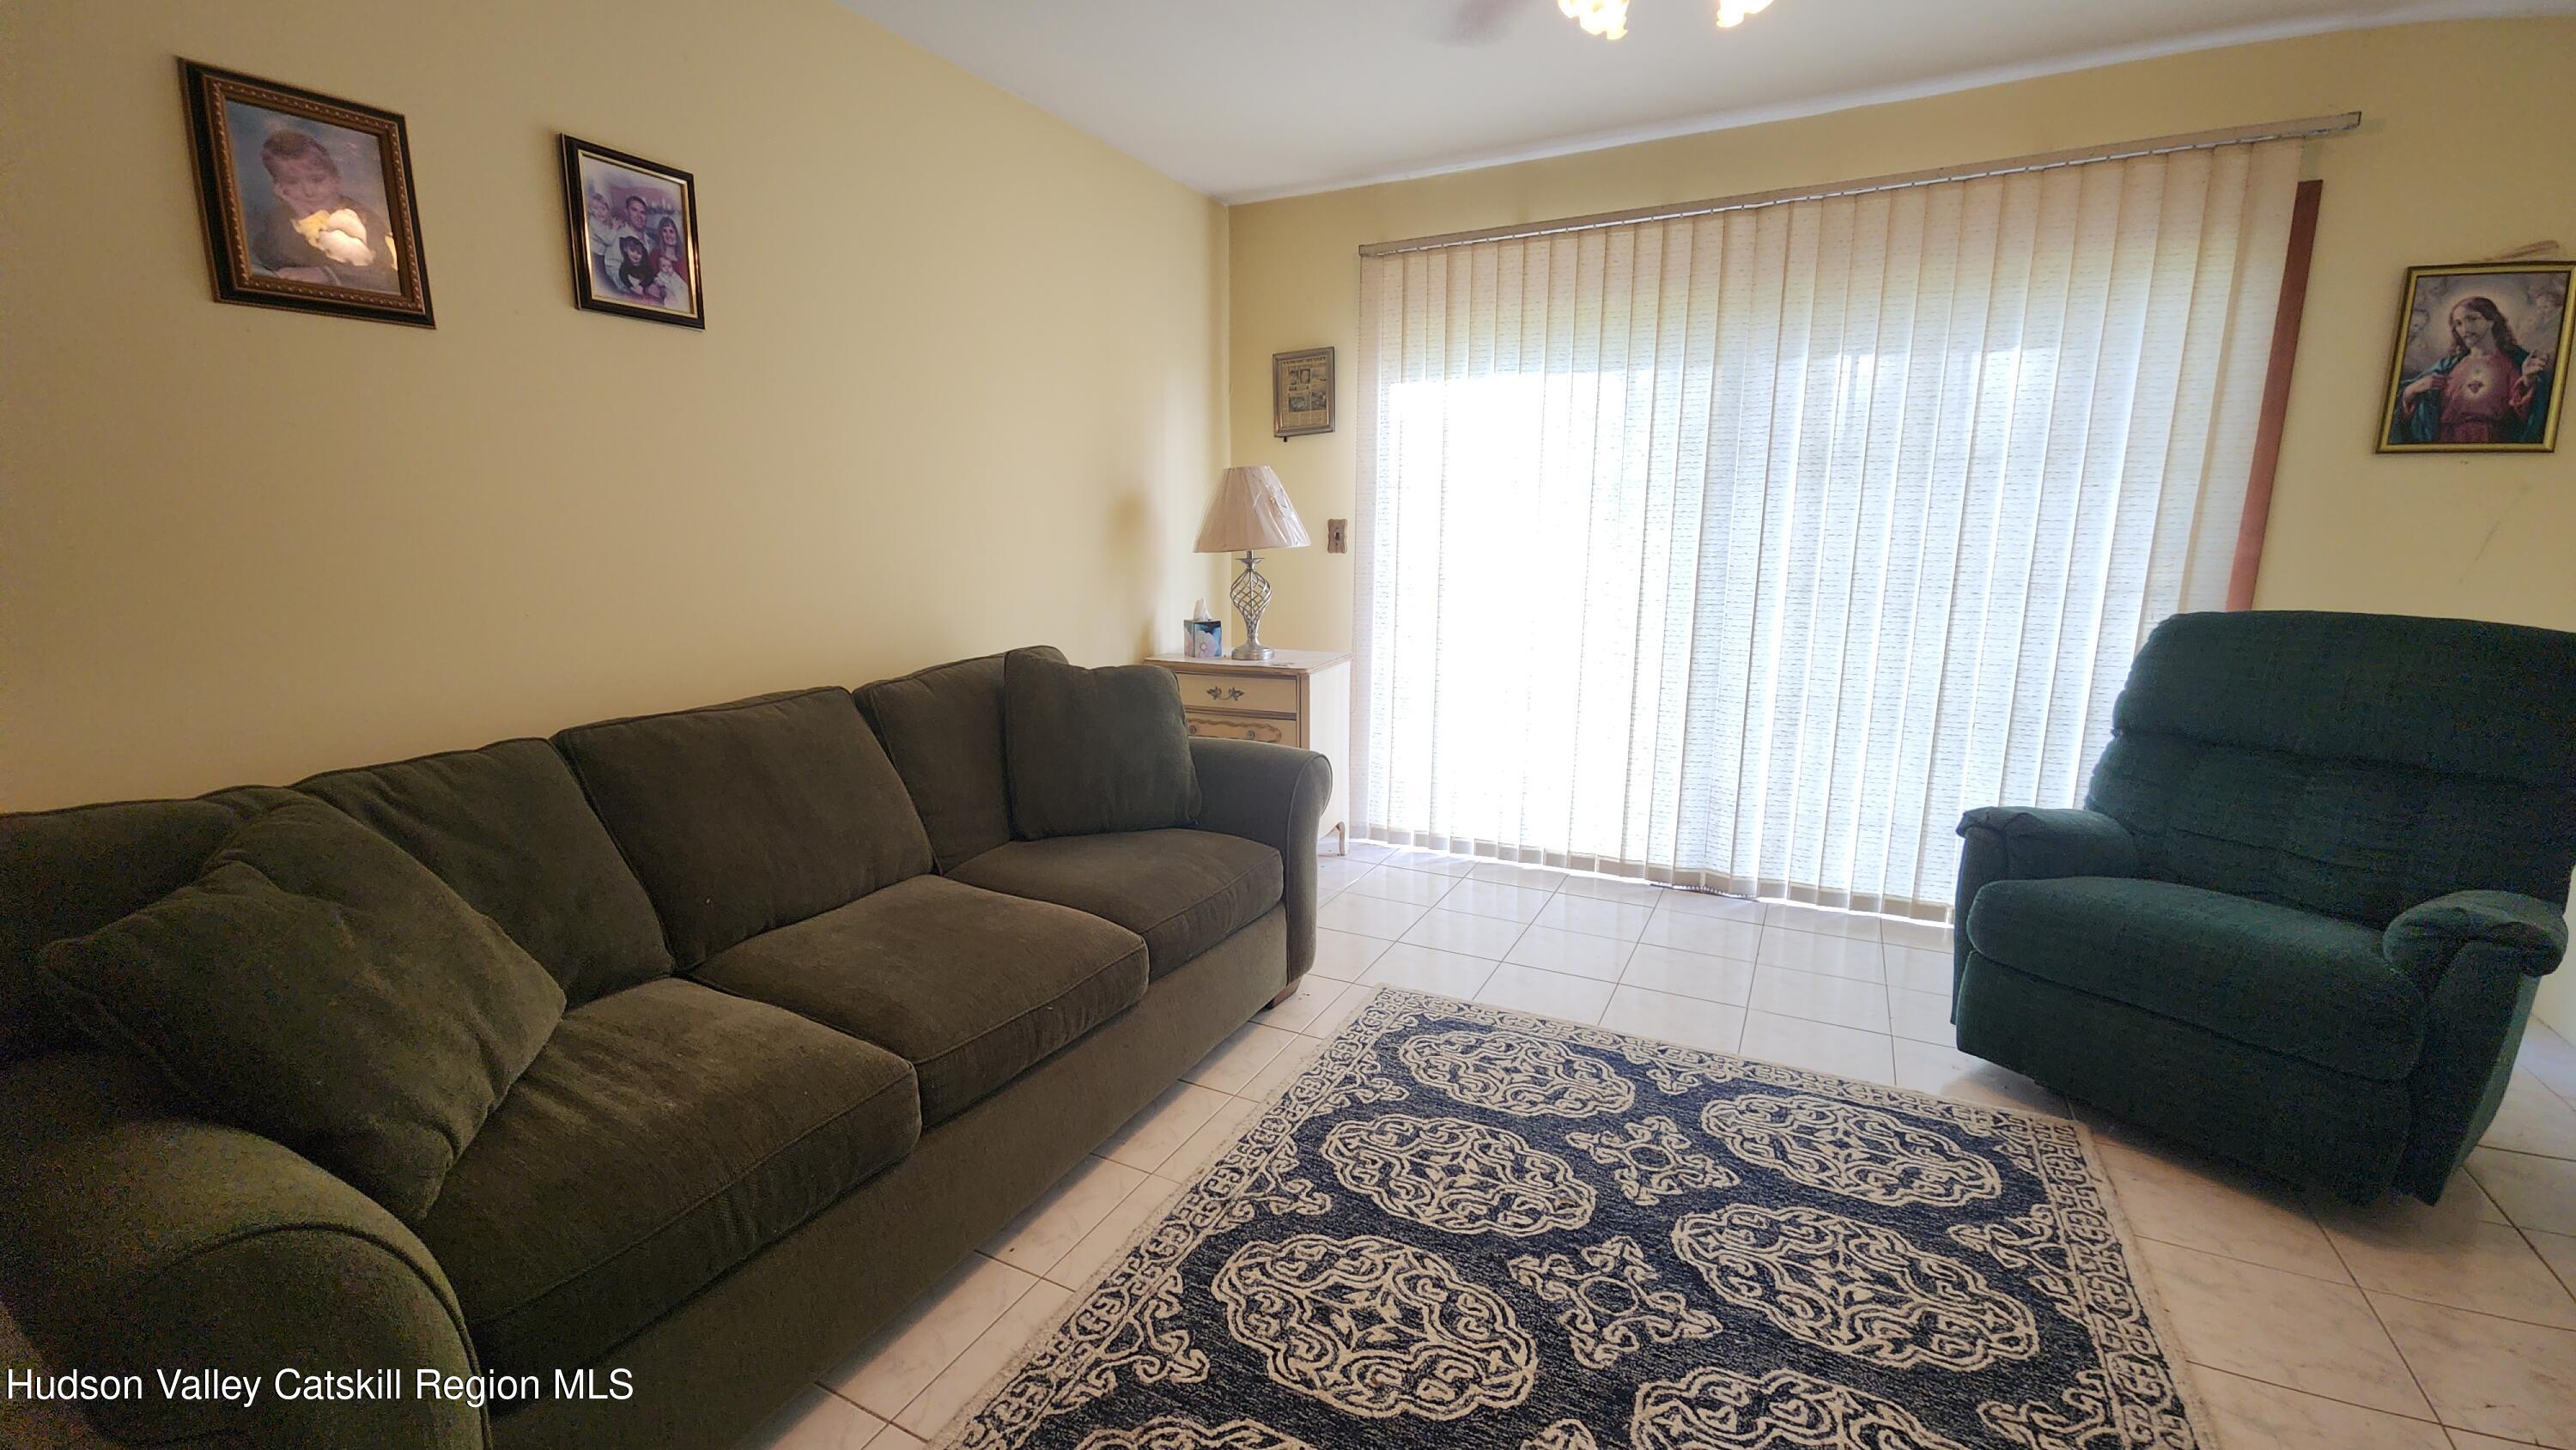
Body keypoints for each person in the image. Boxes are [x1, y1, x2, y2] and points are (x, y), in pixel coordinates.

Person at [246, 129, 399, 294]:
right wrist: (301, 213)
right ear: (279, 187)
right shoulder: (281, 218)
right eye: (292, 182)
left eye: (317, 180)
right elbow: (277, 257)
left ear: (336, 180)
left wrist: (327, 273)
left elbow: (383, 271)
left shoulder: (362, 217)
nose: (308, 191)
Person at [2391, 295, 2556, 446]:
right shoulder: (2447, 367)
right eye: (2458, 323)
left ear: (2491, 321)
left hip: (2492, 443)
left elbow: (2528, 415)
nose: (2464, 328)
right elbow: (2410, 419)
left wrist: (2529, 380)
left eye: (2472, 318)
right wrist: (2411, 391)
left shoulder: (2513, 363)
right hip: (2446, 444)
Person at [650, 215, 691, 311]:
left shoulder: (684, 261)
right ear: (661, 234)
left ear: (676, 234)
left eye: (671, 231)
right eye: (665, 231)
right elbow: (650, 277)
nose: (668, 235)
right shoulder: (655, 254)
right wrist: (664, 291)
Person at [614, 235, 660, 302]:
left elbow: (649, 276)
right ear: (626, 250)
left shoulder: (645, 265)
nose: (636, 255)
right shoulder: (625, 265)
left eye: (639, 253)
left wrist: (642, 286)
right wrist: (630, 287)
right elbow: (623, 276)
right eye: (632, 251)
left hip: (647, 281)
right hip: (635, 284)